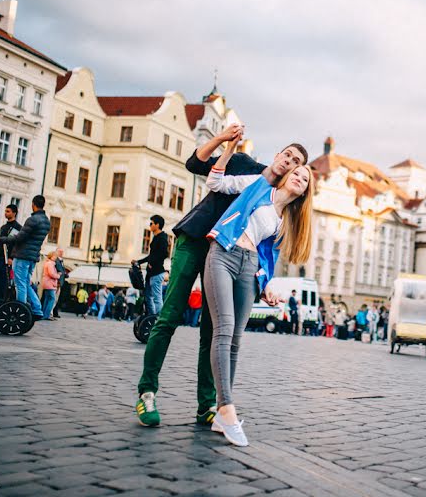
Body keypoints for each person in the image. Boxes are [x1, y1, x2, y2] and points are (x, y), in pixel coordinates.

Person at [134, 125, 307, 429]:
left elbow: (266, 249)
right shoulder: (247, 166)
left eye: (296, 163)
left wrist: (264, 283)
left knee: (214, 331)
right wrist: (223, 142)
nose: (289, 163)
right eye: (287, 155)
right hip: (197, 237)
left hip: (227, 257)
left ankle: (206, 406)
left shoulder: (277, 201)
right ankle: (147, 392)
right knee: (170, 315)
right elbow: (196, 166)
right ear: (278, 154)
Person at [199, 135, 314, 447]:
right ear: (287, 176)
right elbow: (216, 182)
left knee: (236, 339)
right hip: (224, 252)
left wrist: (265, 286)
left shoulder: (285, 221)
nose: (299, 177)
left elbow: (268, 257)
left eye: (304, 178)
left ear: (304, 191)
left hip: (248, 268)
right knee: (223, 330)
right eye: (297, 172)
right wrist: (229, 145)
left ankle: (223, 410)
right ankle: (226, 409)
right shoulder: (261, 185)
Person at [0, 195, 50, 320]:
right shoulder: (46, 221)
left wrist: (1, 239)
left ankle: (20, 311)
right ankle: (37, 309)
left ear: (33, 204)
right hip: (33, 256)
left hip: (23, 255)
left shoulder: (32, 219)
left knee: (20, 284)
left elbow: (19, 238)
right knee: (26, 283)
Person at [133, 215, 169, 317]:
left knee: (157, 297)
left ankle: (158, 319)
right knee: (148, 296)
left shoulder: (162, 238)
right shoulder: (157, 237)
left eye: (151, 223)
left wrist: (153, 263)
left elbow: (164, 254)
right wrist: (139, 262)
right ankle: (151, 316)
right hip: (151, 273)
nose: (150, 225)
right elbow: (152, 255)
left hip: (157, 272)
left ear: (157, 225)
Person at [0, 203, 22, 303]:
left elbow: (16, 244)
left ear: (14, 213)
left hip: (7, 258)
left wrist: (11, 257)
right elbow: (0, 244)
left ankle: (2, 302)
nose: (6, 213)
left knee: (4, 283)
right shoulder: (4, 227)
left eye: (8, 211)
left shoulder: (18, 227)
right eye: (5, 211)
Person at [40, 251, 61, 321]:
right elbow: (51, 274)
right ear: (51, 256)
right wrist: (58, 275)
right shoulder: (50, 264)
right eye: (55, 256)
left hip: (47, 283)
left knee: (47, 299)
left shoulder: (48, 263)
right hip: (50, 284)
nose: (56, 258)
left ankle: (44, 314)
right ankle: (47, 315)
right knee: (52, 299)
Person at [52, 248, 66, 319]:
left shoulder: (61, 260)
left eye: (62, 252)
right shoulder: (56, 260)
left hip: (60, 282)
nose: (62, 253)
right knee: (53, 298)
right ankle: (51, 313)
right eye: (60, 251)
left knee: (56, 298)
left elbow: (62, 270)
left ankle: (54, 312)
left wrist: (65, 274)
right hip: (56, 282)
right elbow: (56, 270)